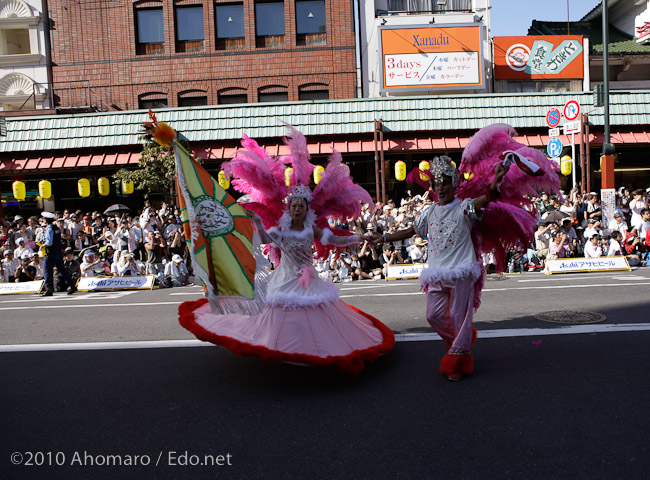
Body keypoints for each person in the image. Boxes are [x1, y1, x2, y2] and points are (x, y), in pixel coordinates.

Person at [177, 126, 394, 374]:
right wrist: (257, 222)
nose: (297, 209)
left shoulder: (311, 230)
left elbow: (334, 239)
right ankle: (284, 349)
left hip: (308, 278)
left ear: (306, 208)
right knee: (283, 315)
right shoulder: (281, 229)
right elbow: (266, 238)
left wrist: (359, 237)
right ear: (289, 208)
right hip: (285, 276)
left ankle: (312, 350)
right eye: (294, 205)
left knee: (313, 315)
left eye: (301, 205)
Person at [371, 155, 510, 381]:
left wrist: (494, 184)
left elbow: (484, 200)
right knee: (433, 316)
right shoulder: (429, 212)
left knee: (457, 316)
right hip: (436, 273)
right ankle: (460, 343)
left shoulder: (463, 207)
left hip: (461, 272)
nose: (440, 187)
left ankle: (458, 358)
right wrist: (385, 237)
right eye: (436, 183)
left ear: (453, 184)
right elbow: (412, 231)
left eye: (444, 182)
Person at [41, 212, 76, 296]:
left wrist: (42, 245)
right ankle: (72, 285)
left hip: (51, 252)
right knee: (62, 269)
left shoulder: (49, 228)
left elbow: (49, 242)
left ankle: (49, 288)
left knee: (47, 270)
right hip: (58, 251)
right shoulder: (56, 227)